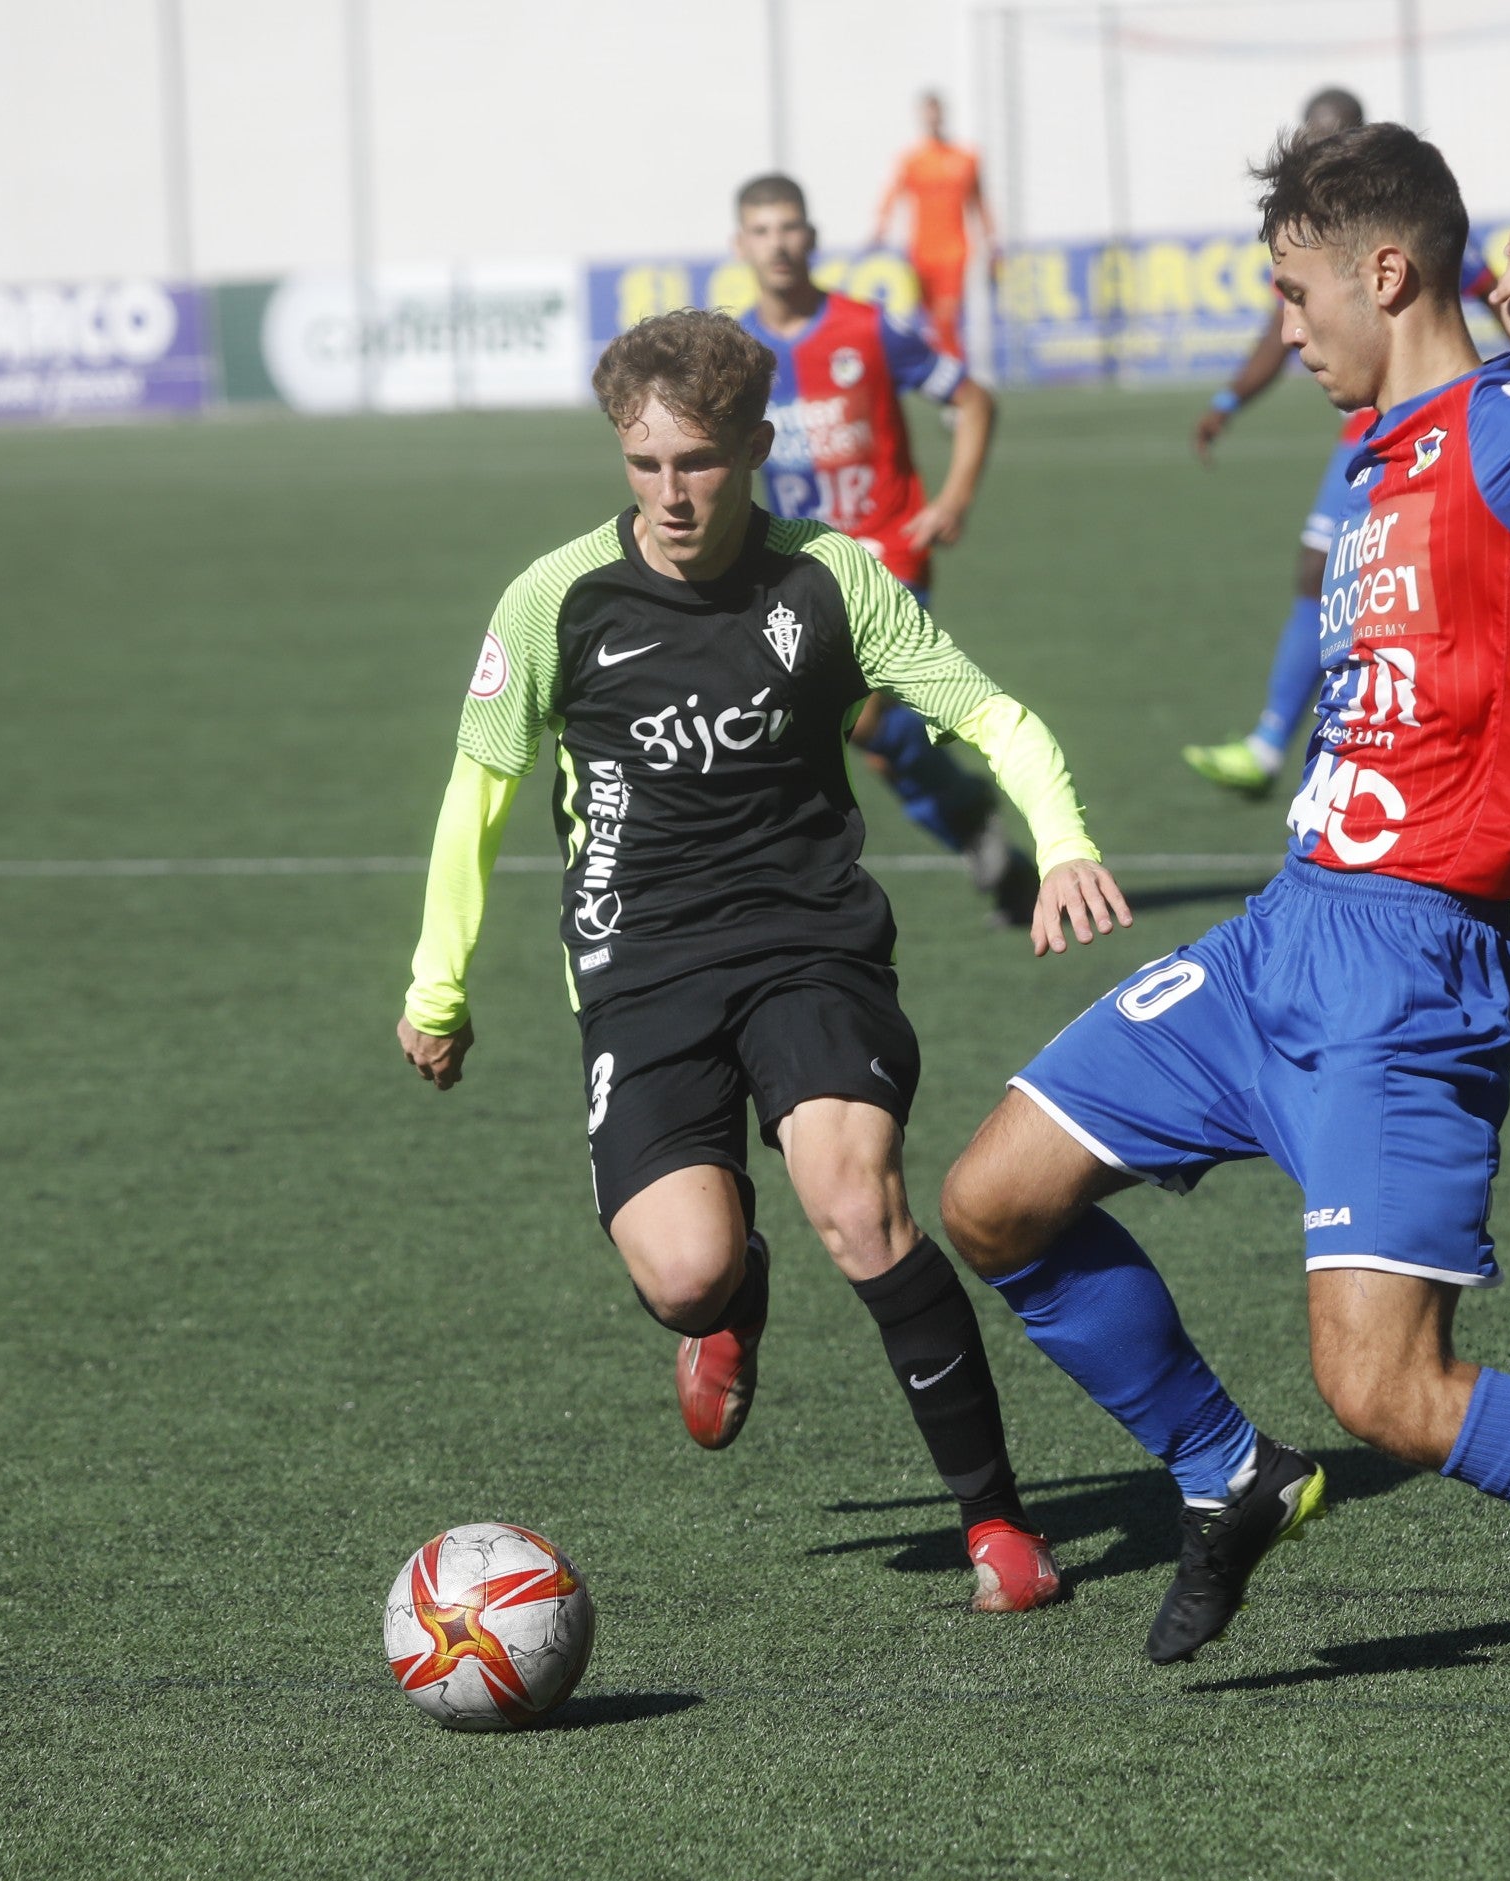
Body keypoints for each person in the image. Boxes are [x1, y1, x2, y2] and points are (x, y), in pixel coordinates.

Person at [940, 124, 1510, 1738]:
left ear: (1387, 273)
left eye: (1295, 295)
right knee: (992, 1201)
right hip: (1277, 941)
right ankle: (1227, 1477)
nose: (1285, 328)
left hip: (1410, 968)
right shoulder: (1375, 445)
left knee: (1387, 1392)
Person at [393, 308, 1135, 1616]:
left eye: (700, 462)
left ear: (757, 446)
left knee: (859, 1205)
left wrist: (1063, 840)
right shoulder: (555, 600)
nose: (672, 495)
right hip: (642, 970)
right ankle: (734, 1296)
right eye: (645, 464)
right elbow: (479, 793)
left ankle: (998, 1528)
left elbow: (991, 715)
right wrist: (436, 989)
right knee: (684, 1272)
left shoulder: (832, 579)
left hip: (808, 944)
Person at [1181, 88, 1510, 798]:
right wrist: (1227, 401)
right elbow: (1274, 337)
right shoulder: (1312, 245)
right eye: (1309, 136)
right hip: (1368, 432)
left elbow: (1489, 291)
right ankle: (1275, 742)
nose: (1313, 148)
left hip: (1432, 421)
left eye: (1327, 137)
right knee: (1342, 576)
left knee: (1459, 567)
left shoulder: (1400, 232)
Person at [733, 171, 1038, 926]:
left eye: (789, 226)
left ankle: (969, 823)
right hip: (806, 570)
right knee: (878, 743)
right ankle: (976, 828)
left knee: (858, 721)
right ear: (742, 245)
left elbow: (972, 399)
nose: (778, 243)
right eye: (762, 230)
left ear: (812, 236)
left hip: (890, 556)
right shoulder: (738, 353)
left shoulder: (866, 329)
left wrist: (954, 500)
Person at [870, 91, 995, 360]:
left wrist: (991, 240)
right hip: (921, 251)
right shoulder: (912, 160)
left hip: (954, 249)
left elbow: (980, 202)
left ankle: (958, 379)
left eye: (936, 111)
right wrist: (879, 229)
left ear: (943, 114)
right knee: (930, 323)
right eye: (927, 112)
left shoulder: (966, 158)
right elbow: (892, 195)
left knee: (947, 317)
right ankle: (947, 372)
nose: (932, 118)